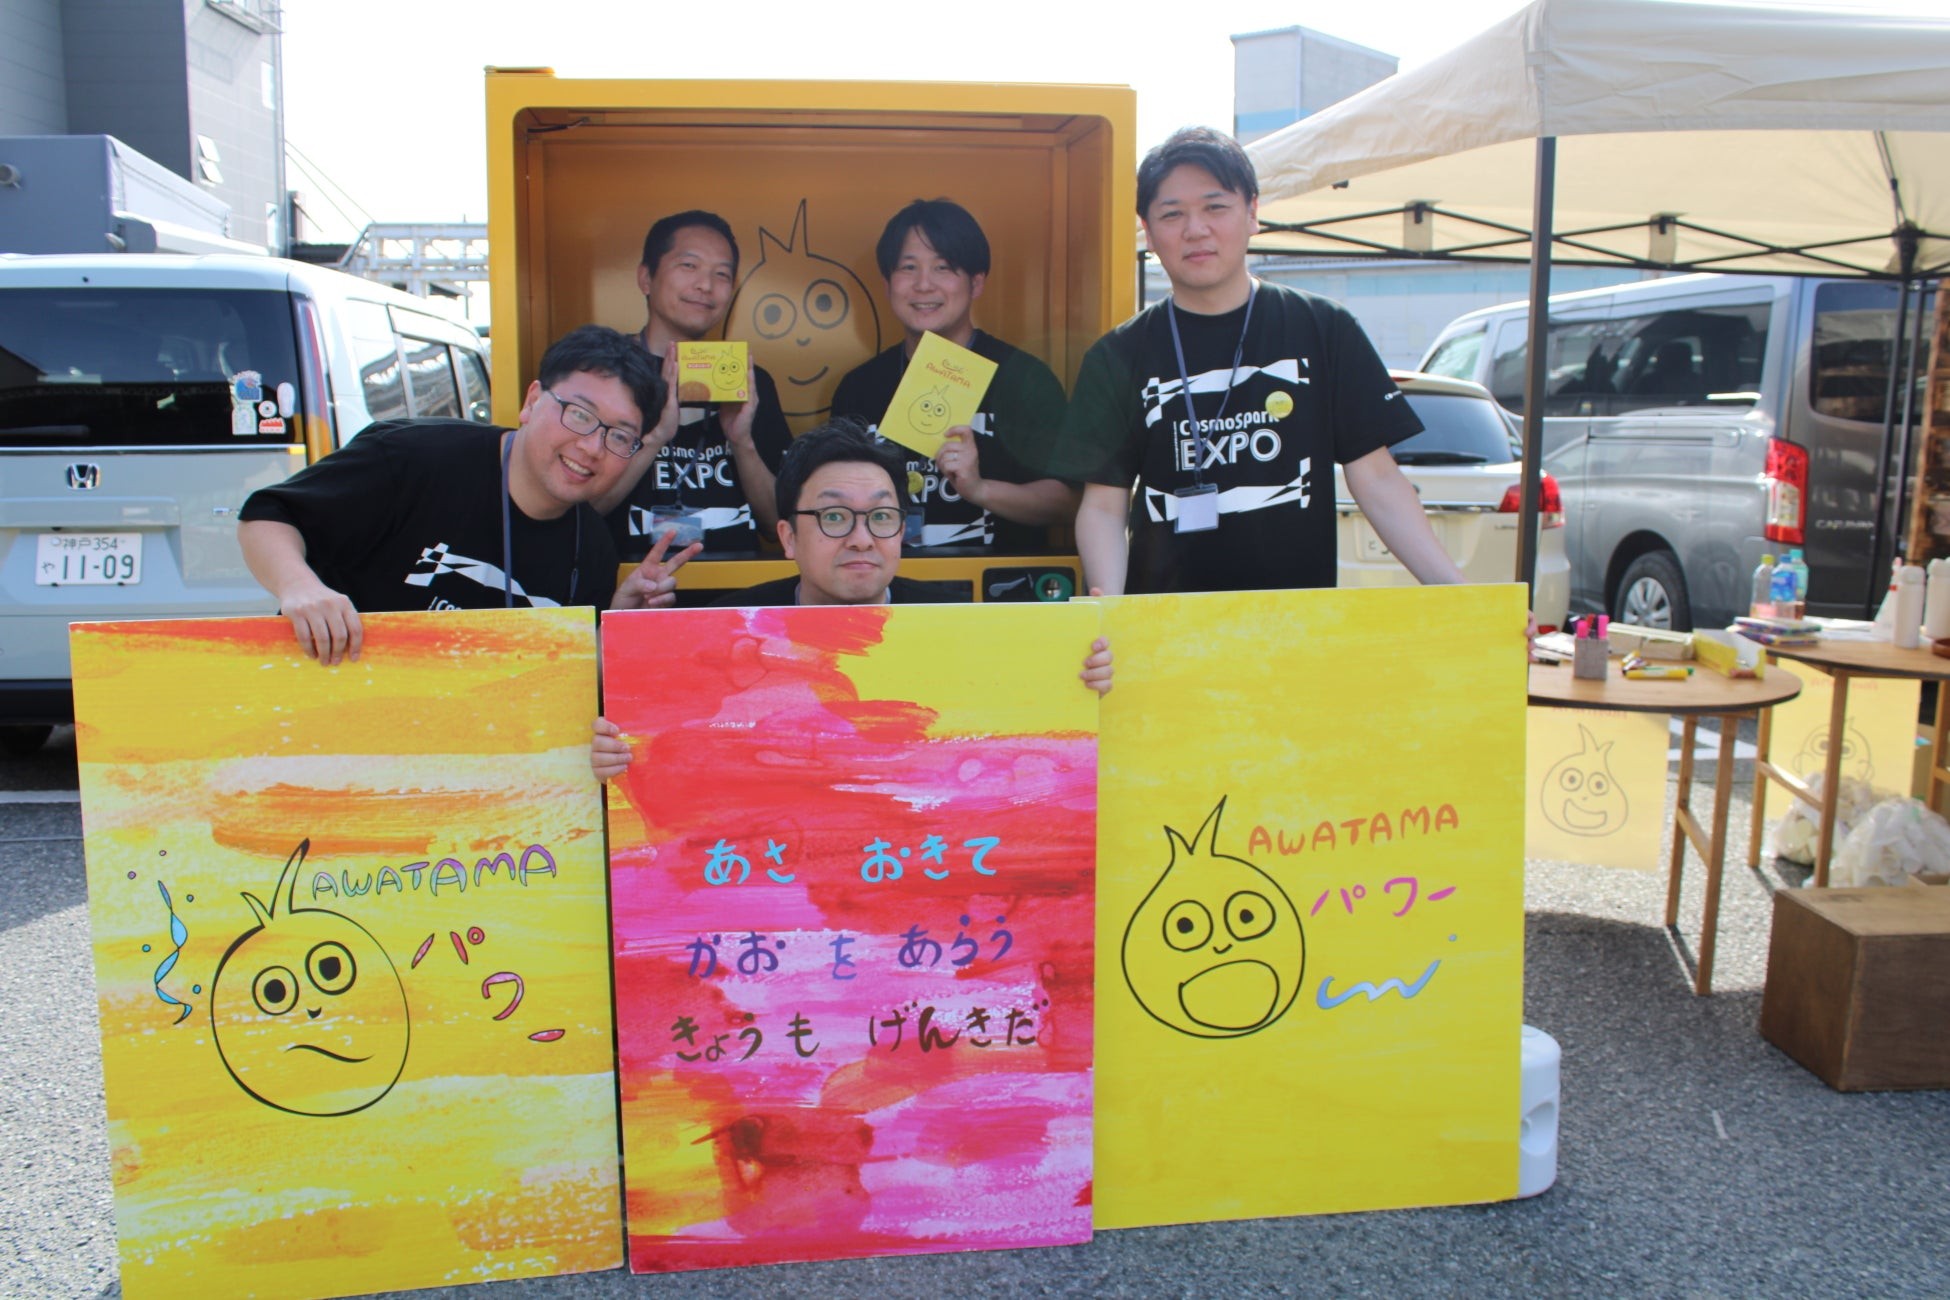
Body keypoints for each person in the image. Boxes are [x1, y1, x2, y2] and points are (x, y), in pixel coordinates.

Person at [1053, 126, 1472, 599]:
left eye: (1215, 207)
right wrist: (1108, 609)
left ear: (1252, 212)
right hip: (1164, 626)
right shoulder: (1116, 356)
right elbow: (1103, 506)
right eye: (1172, 214)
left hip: (1295, 621)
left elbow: (1376, 478)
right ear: (1147, 232)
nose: (1196, 230)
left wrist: (1462, 597)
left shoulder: (1323, 328)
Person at [591, 419, 1111, 779]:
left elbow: (1035, 729)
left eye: (881, 517)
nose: (862, 538)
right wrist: (612, 719)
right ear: (788, 537)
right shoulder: (722, 630)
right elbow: (644, 737)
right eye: (835, 517)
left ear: (901, 532)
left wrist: (1084, 675)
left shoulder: (961, 628)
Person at [239, 324, 696, 665]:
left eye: (619, 436)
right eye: (579, 414)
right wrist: (299, 587)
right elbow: (266, 514)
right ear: (532, 401)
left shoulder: (592, 548)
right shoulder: (414, 456)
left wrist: (615, 621)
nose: (592, 447)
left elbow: (559, 678)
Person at [829, 198, 1076, 550]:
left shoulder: (1024, 379)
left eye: (943, 267)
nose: (923, 285)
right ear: (887, 284)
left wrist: (979, 489)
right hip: (889, 582)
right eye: (908, 267)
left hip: (997, 582)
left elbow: (1069, 501)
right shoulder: (859, 387)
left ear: (976, 283)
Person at [594, 209, 795, 558]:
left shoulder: (750, 380)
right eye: (689, 266)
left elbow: (776, 524)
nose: (706, 285)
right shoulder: (606, 372)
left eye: (722, 274)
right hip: (632, 585)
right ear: (646, 278)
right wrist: (655, 438)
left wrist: (741, 442)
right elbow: (587, 508)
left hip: (735, 587)